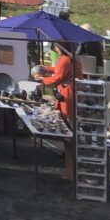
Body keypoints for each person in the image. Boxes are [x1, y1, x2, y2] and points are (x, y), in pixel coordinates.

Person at [37, 41, 83, 180]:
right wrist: (48, 68)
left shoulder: (64, 60)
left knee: (68, 124)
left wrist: (43, 79)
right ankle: (72, 154)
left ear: (60, 48)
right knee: (72, 122)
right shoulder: (74, 58)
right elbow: (61, 70)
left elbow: (57, 78)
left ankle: (71, 160)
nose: (55, 49)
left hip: (67, 94)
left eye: (56, 47)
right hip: (74, 92)